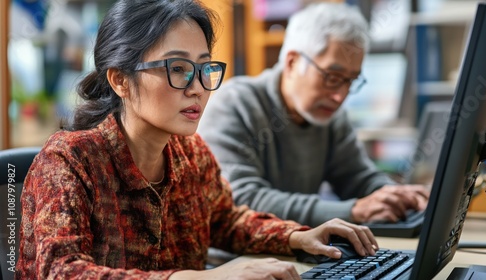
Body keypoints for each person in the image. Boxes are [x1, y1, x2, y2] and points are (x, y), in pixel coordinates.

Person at [15, 0, 379, 279]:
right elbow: (61, 271)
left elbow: (226, 220)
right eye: (177, 69)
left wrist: (297, 237)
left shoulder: (190, 153)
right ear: (120, 80)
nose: (198, 88)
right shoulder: (68, 162)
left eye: (205, 68)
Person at [197, 2, 430, 228]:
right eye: (331, 77)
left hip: (296, 251)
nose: (340, 96)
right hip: (235, 262)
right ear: (292, 62)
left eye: (350, 81)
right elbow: (241, 199)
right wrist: (353, 211)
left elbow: (358, 178)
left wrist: (394, 195)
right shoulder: (235, 104)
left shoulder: (329, 116)